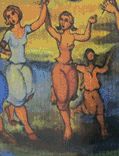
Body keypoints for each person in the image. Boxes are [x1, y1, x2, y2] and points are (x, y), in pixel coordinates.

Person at [45, 10, 97, 140]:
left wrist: (89, 23)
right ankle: (68, 127)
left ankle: (55, 90)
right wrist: (45, 10)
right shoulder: (59, 36)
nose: (63, 22)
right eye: (61, 19)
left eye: (66, 20)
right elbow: (48, 27)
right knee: (62, 101)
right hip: (60, 68)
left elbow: (86, 36)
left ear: (71, 23)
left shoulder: (73, 36)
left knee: (71, 96)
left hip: (71, 68)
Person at [1, 1, 49, 141]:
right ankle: (28, 129)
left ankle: (10, 109)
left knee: (28, 94)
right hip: (13, 68)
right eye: (8, 17)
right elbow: (3, 43)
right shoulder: (8, 34)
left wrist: (44, 5)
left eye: (12, 14)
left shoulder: (25, 29)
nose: (11, 18)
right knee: (20, 99)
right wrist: (4, 49)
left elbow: (40, 22)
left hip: (24, 66)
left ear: (18, 14)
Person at [74, 49, 111, 139]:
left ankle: (103, 130)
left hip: (95, 92)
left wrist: (108, 59)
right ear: (86, 56)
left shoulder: (96, 68)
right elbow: (74, 67)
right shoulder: (83, 68)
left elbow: (104, 69)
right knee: (91, 111)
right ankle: (78, 109)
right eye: (89, 55)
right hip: (88, 93)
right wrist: (80, 83)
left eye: (92, 55)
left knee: (100, 108)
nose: (91, 56)